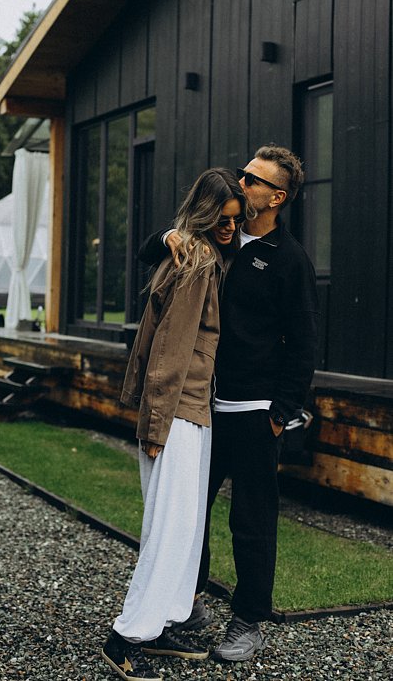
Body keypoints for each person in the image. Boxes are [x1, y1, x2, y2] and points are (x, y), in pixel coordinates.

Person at [139, 145, 319, 662]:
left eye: (253, 179)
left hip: (256, 413)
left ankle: (248, 620)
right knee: (188, 512)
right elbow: (150, 251)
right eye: (242, 174)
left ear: (277, 197)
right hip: (203, 408)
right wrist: (168, 235)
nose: (241, 182)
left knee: (252, 520)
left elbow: (304, 343)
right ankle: (186, 602)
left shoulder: (290, 260)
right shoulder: (221, 237)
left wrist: (281, 412)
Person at [102, 169, 252, 681]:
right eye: (224, 220)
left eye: (237, 221)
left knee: (184, 527)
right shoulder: (198, 261)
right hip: (177, 414)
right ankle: (126, 637)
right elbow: (170, 347)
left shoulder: (202, 253)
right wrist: (157, 424)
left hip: (195, 410)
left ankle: (160, 623)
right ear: (206, 215)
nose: (231, 229)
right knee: (171, 529)